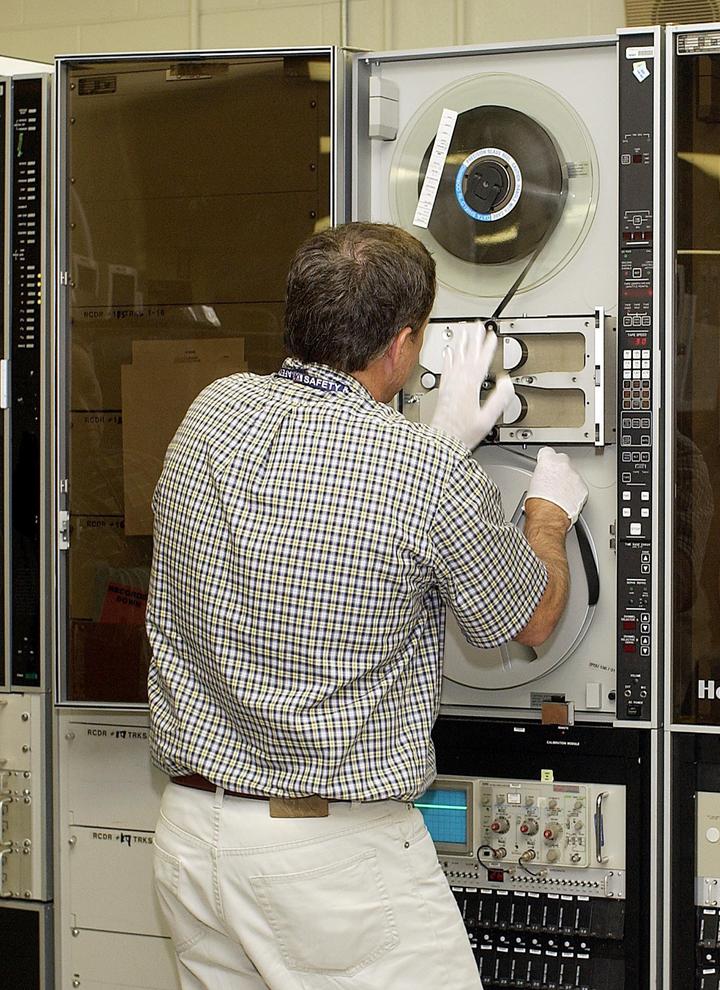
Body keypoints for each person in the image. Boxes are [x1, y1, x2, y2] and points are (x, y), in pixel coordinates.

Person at [145, 221, 588, 988]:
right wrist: (545, 514)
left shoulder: (210, 415)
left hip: (193, 842)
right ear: (404, 344)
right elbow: (534, 619)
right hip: (327, 863)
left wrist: (433, 447)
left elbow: (307, 523)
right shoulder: (420, 471)